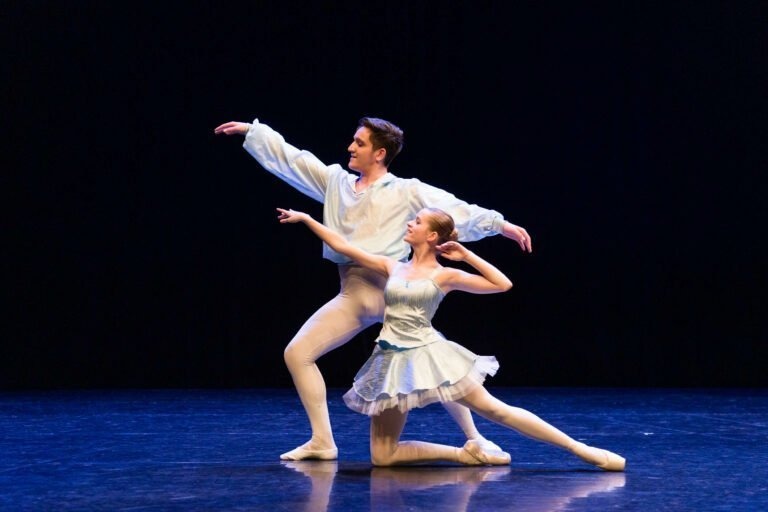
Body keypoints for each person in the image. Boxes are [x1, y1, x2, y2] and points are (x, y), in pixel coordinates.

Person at [214, 116, 532, 461]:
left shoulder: (406, 190)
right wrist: (255, 132)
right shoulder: (336, 183)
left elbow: (453, 208)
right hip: (351, 295)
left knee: (439, 367)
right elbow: (295, 160)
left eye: (360, 143)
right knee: (297, 353)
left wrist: (499, 224)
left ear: (379, 153)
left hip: (391, 294)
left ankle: (475, 437)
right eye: (353, 141)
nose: (351, 147)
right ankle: (322, 441)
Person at [277, 206, 625, 471]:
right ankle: (465, 452)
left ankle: (581, 449)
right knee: (383, 457)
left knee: (494, 409)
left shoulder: (445, 275)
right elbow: (343, 246)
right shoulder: (392, 267)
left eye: (417, 221)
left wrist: (467, 254)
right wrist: (308, 219)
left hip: (430, 354)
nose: (409, 224)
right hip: (390, 361)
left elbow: (502, 284)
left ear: (431, 236)